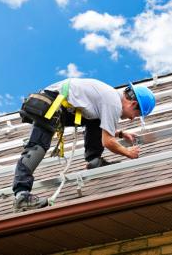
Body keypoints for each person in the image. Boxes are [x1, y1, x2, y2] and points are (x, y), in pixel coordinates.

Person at [13, 78, 156, 212]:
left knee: (96, 120)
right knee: (37, 147)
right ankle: (21, 195)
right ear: (133, 104)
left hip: (60, 104)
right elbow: (107, 141)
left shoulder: (111, 97)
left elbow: (103, 126)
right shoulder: (113, 102)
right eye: (135, 115)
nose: (131, 119)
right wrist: (128, 153)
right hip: (51, 103)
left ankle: (94, 160)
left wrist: (119, 133)